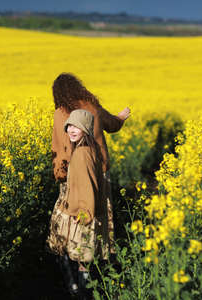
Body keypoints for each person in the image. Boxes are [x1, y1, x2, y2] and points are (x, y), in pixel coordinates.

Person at [47, 73, 130, 297]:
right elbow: (112, 124)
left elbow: (57, 148)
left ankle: (74, 284)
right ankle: (89, 279)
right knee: (93, 225)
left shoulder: (59, 113)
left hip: (71, 175)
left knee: (66, 228)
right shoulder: (91, 106)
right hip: (98, 174)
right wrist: (121, 117)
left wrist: (59, 173)